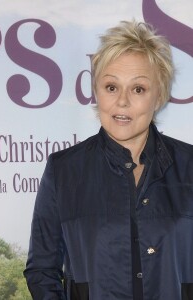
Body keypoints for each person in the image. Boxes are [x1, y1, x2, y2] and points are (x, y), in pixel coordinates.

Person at [23, 20, 193, 300]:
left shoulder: (189, 167)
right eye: (111, 87)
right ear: (96, 91)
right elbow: (42, 271)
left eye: (138, 89)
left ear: (159, 95)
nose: (122, 102)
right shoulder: (63, 171)